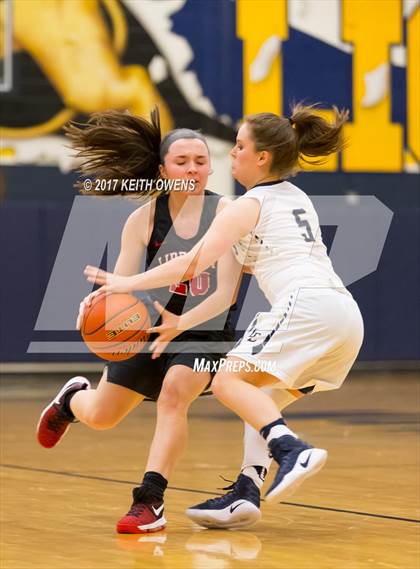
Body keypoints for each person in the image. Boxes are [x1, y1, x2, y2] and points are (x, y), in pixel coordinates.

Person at [84, 103, 364, 529]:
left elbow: (193, 263)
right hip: (345, 316)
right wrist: (179, 319)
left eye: (238, 147)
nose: (231, 156)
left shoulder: (245, 205)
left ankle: (290, 448)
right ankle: (247, 489)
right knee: (263, 397)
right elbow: (249, 261)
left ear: (262, 157)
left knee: (229, 380)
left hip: (305, 305)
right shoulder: (297, 198)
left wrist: (124, 285)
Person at [36, 108, 243, 533]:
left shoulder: (229, 211)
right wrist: (99, 300)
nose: (192, 169)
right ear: (163, 168)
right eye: (182, 161)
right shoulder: (145, 218)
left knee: (174, 394)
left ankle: (149, 501)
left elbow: (225, 294)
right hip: (149, 329)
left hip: (206, 330)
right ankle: (73, 399)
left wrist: (178, 326)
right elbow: (125, 284)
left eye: (201, 161)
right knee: (101, 416)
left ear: (211, 167)